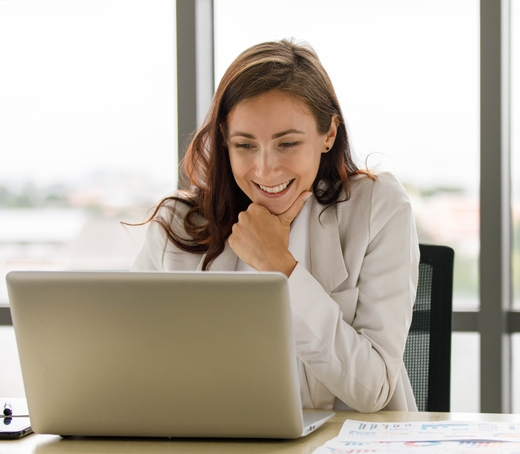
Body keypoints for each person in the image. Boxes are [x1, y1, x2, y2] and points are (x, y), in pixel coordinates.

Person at [131, 39, 420, 413]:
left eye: (286, 144)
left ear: (328, 135)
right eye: (245, 146)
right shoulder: (179, 223)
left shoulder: (377, 207)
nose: (265, 169)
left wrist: (278, 265)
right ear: (224, 141)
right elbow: (131, 362)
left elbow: (372, 388)